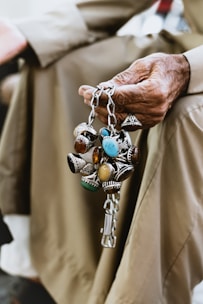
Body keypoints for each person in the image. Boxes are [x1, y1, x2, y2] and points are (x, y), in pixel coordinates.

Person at [0, 0, 203, 303]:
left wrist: (188, 70)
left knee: (181, 114)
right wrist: (29, 31)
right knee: (57, 64)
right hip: (186, 45)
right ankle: (51, 272)